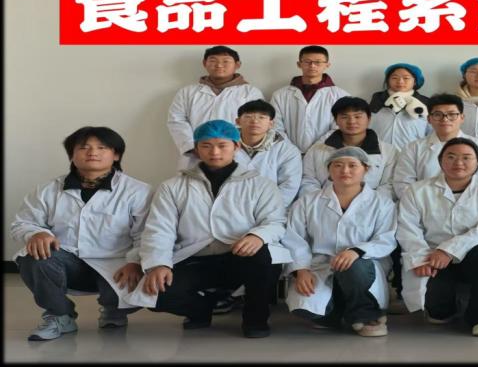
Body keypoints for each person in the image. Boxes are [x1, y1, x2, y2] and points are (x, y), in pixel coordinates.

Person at [126, 120, 291, 338]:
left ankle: (255, 319)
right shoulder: (173, 186)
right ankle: (202, 309)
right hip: (194, 258)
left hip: (239, 256)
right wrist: (158, 264)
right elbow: (159, 229)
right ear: (196, 149)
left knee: (264, 257)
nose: (215, 152)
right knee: (156, 292)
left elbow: (276, 221)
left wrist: (257, 236)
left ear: (236, 146)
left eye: (222, 145)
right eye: (206, 146)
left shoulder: (260, 184)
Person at [11, 127, 152, 341]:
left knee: (139, 279)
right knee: (33, 258)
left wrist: (135, 262)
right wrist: (36, 233)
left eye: (102, 147)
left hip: (118, 264)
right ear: (72, 155)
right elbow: (22, 223)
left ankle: (115, 310)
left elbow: (147, 233)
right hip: (67, 262)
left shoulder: (139, 191)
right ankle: (60, 316)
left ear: (116, 155)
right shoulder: (48, 190)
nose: (92, 152)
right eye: (84, 147)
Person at [396, 138, 478, 337]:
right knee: (439, 315)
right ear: (440, 161)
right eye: (451, 157)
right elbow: (408, 228)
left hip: (477, 255)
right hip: (432, 256)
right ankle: (449, 306)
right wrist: (419, 257)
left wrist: (449, 250)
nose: (458, 163)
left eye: (466, 158)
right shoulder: (417, 190)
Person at [282, 147, 397, 337]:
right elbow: (294, 238)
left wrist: (356, 251)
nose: (345, 171)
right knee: (304, 307)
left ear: (366, 169)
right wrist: (301, 270)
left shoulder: (381, 203)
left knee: (353, 267)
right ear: (329, 170)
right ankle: (337, 314)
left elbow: (386, 238)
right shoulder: (307, 202)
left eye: (353, 165)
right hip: (319, 266)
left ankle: (366, 315)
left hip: (363, 266)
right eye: (338, 165)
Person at [167, 45, 264, 170]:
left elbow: (257, 124)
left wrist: (234, 147)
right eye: (213, 61)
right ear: (204, 63)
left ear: (237, 65)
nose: (219, 65)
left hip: (238, 154)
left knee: (236, 181)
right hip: (197, 155)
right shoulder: (187, 92)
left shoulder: (250, 93)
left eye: (226, 61)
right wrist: (192, 147)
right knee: (195, 181)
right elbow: (176, 120)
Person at [392, 93, 478, 201]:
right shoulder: (413, 148)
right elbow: (403, 184)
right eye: (438, 114)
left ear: (462, 118)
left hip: (469, 208)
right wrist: (426, 205)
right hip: (423, 208)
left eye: (452, 114)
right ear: (429, 119)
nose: (445, 119)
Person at [300, 97, 398, 201]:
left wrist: (367, 205)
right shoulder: (317, 149)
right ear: (336, 120)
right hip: (323, 205)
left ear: (369, 119)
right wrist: (324, 203)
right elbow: (308, 180)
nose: (351, 121)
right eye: (344, 117)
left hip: (372, 206)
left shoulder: (388, 151)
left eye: (357, 116)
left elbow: (389, 185)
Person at [269, 45, 351, 154]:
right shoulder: (280, 95)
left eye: (318, 62)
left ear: (327, 65)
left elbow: (339, 128)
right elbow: (275, 127)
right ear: (299, 64)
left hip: (325, 153)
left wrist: (315, 150)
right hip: (287, 153)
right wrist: (291, 151)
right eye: (307, 62)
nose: (312, 65)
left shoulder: (341, 96)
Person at [234, 100, 302, 207]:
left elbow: (289, 186)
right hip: (231, 206)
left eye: (262, 117)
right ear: (238, 121)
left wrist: (270, 209)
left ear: (271, 124)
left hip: (271, 208)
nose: (255, 121)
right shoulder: (224, 146)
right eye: (248, 116)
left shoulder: (287, 150)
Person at [368, 63, 431, 149]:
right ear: (388, 81)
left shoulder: (426, 103)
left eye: (406, 78)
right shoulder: (375, 101)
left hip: (413, 154)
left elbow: (432, 132)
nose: (400, 81)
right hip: (379, 153)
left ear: (415, 81)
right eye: (394, 78)